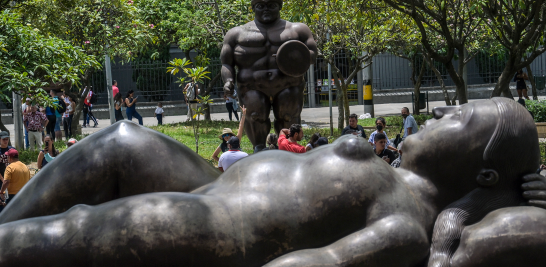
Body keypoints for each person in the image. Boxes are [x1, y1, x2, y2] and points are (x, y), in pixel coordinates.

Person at [0, 99, 543, 267]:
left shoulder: (405, 222)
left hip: (220, 226)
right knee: (120, 140)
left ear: (486, 172)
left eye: (460, 120)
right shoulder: (395, 175)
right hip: (211, 185)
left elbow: (321, 262)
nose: (444, 112)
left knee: (75, 232)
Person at [221, 0, 318, 151]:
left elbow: (312, 54)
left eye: (271, 5)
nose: (266, 9)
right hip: (252, 87)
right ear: (253, 7)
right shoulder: (236, 33)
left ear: (280, 6)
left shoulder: (297, 30)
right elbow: (226, 63)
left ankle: (289, 151)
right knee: (254, 116)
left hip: (288, 84)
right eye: (261, 6)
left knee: (288, 116)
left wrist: (293, 55)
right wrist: (228, 80)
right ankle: (258, 150)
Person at [0, 149, 29, 213]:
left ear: (10, 158)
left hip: (13, 196)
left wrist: (1, 191)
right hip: (25, 194)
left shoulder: (10, 167)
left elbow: (6, 182)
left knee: (8, 214)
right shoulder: (25, 166)